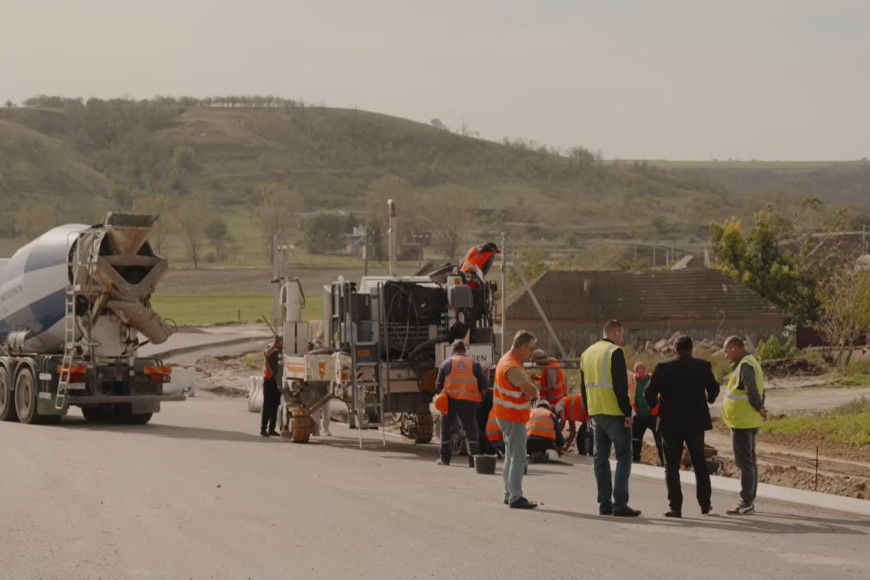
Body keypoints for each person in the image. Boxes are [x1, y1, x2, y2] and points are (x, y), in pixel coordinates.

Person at [644, 335, 720, 517]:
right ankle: (704, 504)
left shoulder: (663, 367)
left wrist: (655, 407)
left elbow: (648, 392)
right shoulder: (702, 366)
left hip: (670, 423)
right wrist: (708, 399)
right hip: (695, 422)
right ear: (692, 349)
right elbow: (714, 389)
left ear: (673, 350)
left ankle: (675, 507)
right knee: (699, 463)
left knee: (671, 465)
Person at [580, 320, 640, 517]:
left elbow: (583, 387)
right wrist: (627, 412)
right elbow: (619, 385)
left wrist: (588, 411)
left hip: (596, 412)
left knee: (600, 458)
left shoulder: (586, 353)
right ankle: (620, 504)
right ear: (615, 331)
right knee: (623, 456)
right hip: (614, 412)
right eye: (621, 334)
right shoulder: (615, 352)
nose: (622, 339)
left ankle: (604, 503)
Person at [493, 329, 540, 509]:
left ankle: (509, 493)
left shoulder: (506, 361)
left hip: (506, 414)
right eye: (530, 348)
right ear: (522, 347)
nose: (531, 352)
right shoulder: (512, 367)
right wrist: (532, 392)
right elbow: (530, 391)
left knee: (511, 457)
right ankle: (515, 496)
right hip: (512, 416)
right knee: (518, 457)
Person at [722, 335, 766, 515]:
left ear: (734, 348)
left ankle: (746, 501)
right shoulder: (749, 362)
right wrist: (760, 408)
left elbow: (752, 391)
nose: (725, 356)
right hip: (747, 419)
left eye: (726, 351)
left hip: (742, 421)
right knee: (750, 461)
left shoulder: (745, 365)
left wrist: (759, 407)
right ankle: (749, 499)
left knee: (744, 462)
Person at [434, 340, 489, 466]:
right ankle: (474, 460)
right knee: (471, 430)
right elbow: (484, 385)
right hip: (469, 402)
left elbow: (438, 385)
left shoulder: (446, 363)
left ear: (453, 350)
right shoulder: (474, 363)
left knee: (446, 429)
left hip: (450, 401)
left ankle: (445, 459)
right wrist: (481, 398)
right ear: (464, 350)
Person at [631, 362, 664, 465]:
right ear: (635, 371)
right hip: (638, 417)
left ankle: (664, 460)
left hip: (652, 416)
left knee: (659, 438)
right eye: (638, 369)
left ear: (645, 370)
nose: (640, 371)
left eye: (642, 369)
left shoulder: (651, 378)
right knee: (636, 439)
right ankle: (635, 459)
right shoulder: (632, 381)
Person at [261, 339, 283, 437]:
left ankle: (271, 429)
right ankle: (263, 429)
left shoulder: (279, 353)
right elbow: (266, 353)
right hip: (268, 380)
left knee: (275, 406)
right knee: (267, 405)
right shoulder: (269, 351)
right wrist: (274, 345)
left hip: (276, 381)